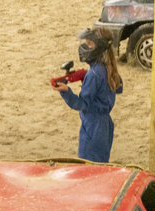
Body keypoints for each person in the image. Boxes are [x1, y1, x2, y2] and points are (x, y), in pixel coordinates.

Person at [53, 27, 123, 163]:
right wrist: (85, 77)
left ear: (98, 47)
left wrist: (66, 91)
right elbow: (117, 88)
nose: (86, 46)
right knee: (101, 164)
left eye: (90, 43)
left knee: (88, 166)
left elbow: (81, 104)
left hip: (92, 126)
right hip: (106, 124)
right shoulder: (108, 68)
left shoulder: (94, 74)